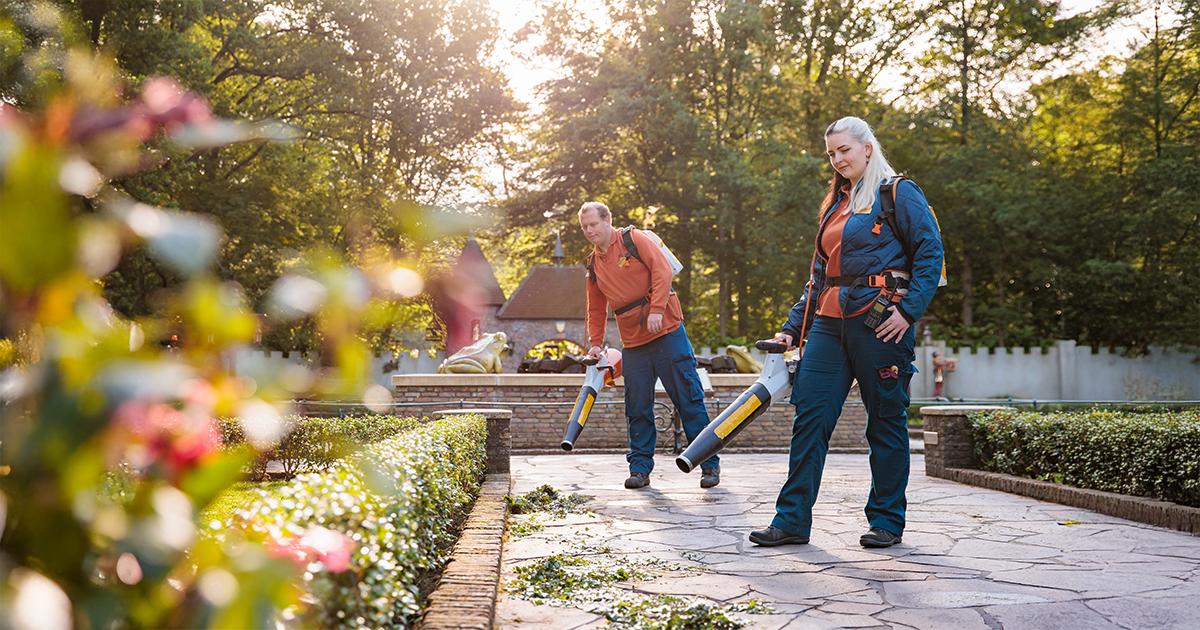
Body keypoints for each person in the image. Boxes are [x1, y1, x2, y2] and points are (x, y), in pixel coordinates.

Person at [749, 116, 944, 548]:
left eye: (845, 151)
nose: (837, 160)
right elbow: (819, 276)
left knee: (885, 423)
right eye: (831, 154)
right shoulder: (836, 202)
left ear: (867, 148)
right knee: (811, 420)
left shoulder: (898, 193)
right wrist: (790, 330)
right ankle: (792, 520)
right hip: (828, 325)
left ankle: (887, 521)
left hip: (881, 324)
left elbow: (931, 254)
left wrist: (908, 312)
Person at [579, 201, 720, 489]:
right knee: (637, 406)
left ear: (608, 220)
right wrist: (594, 344)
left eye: (593, 224)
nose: (589, 230)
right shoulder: (594, 263)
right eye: (584, 227)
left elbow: (662, 271)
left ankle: (710, 465)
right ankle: (640, 469)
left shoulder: (634, 239)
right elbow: (595, 308)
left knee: (689, 399)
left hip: (667, 332)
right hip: (634, 342)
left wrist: (656, 309)